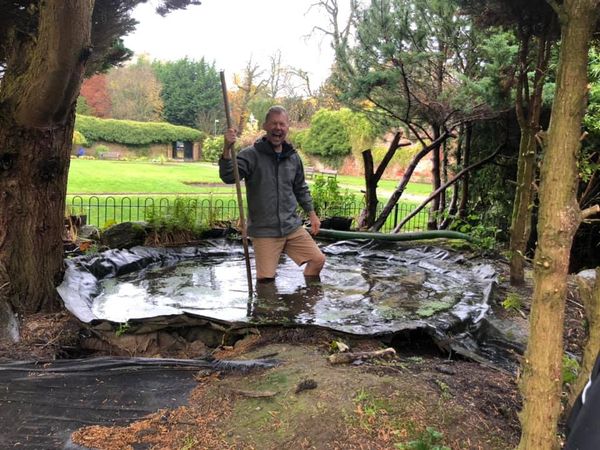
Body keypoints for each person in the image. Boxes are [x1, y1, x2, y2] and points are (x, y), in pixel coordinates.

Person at [219, 105, 325, 283]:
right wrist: (227, 149)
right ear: (265, 126)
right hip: (264, 230)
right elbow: (229, 176)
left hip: (291, 227)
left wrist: (312, 214)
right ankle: (266, 309)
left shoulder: (292, 157)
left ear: (287, 128)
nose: (278, 128)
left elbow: (300, 187)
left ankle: (303, 302)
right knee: (266, 281)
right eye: (274, 123)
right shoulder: (250, 155)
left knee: (318, 260)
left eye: (282, 124)